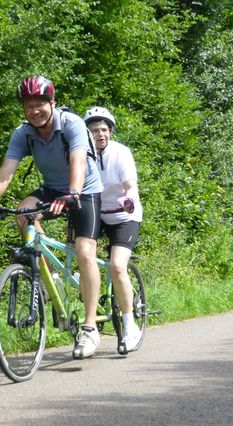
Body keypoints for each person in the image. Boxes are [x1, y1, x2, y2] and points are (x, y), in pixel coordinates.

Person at [0, 76, 104, 359]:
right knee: (23, 214)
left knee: (85, 252)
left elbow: (79, 161)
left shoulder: (72, 125)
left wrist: (71, 194)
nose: (34, 111)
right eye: (28, 105)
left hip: (84, 190)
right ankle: (51, 279)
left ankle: (90, 327)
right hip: (51, 189)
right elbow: (7, 169)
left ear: (52, 103)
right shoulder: (23, 133)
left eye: (40, 104)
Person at [83, 106, 143, 351]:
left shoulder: (121, 153)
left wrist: (128, 200)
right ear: (86, 133)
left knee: (117, 266)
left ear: (111, 131)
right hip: (95, 214)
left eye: (104, 130)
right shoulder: (81, 154)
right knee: (79, 257)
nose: (100, 134)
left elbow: (130, 185)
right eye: (94, 130)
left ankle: (130, 325)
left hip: (123, 215)